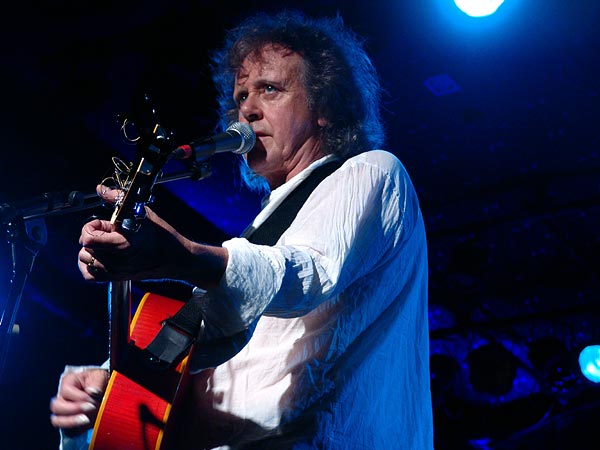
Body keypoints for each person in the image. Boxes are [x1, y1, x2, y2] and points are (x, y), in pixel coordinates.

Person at [49, 10, 434, 450]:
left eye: (270, 89)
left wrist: (182, 256)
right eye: (241, 96)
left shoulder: (372, 172)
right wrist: (108, 389)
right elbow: (204, 362)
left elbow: (306, 274)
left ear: (325, 106)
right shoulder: (261, 229)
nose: (246, 109)